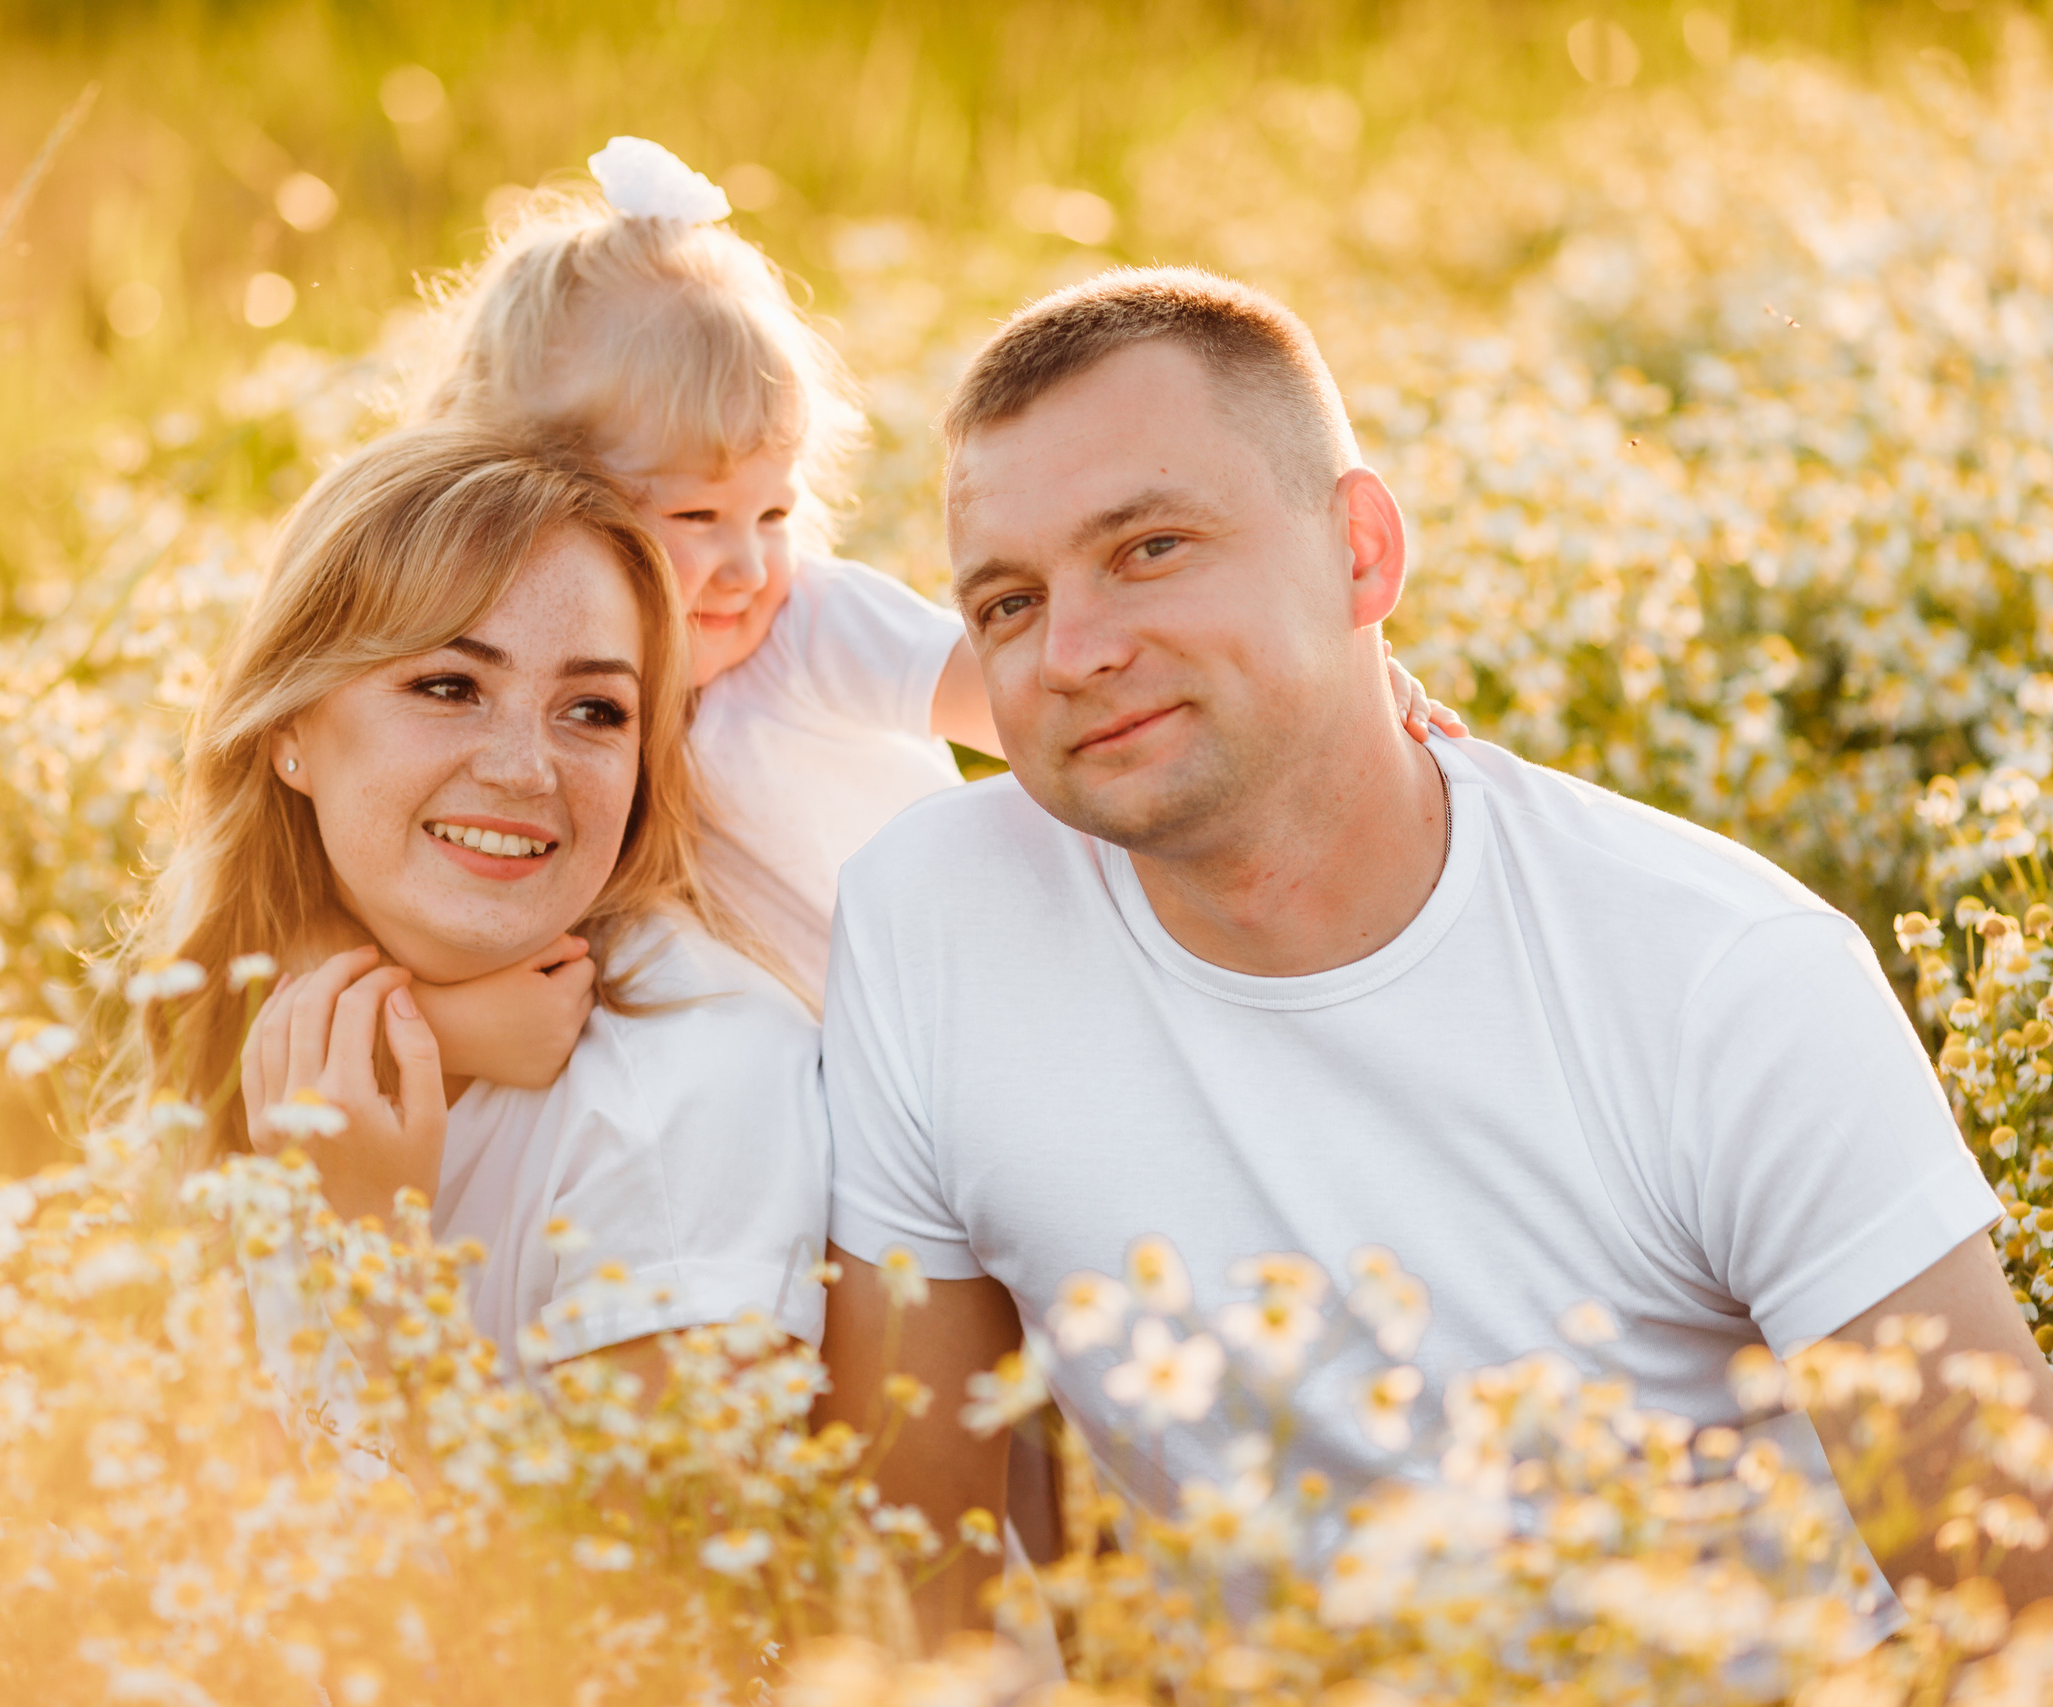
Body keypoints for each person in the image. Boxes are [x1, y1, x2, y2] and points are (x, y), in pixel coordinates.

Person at [815, 266, 2053, 1638]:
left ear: (1362, 550)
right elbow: (906, 1582)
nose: (1075, 649)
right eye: (1005, 603)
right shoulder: (929, 920)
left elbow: (2019, 1593)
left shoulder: (1722, 976)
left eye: (1150, 546)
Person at [417, 137, 1457, 993]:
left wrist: (1326, 690)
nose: (746, 562)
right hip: (775, 1103)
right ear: (541, 508)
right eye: (695, 515)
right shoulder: (533, 711)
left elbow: (1036, 701)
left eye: (774, 511)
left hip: (971, 1017)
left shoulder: (808, 630)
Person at [127, 423, 827, 1377]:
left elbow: (647, 1530)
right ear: (290, 726)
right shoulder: (244, 1010)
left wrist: (372, 1251)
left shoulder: (695, 1086)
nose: (525, 770)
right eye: (450, 685)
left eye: (594, 710)